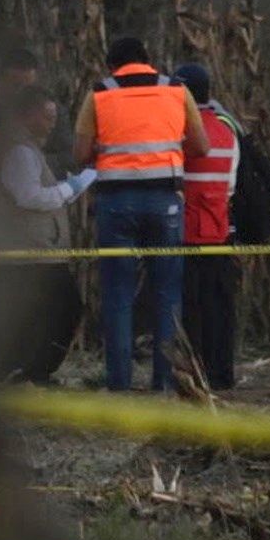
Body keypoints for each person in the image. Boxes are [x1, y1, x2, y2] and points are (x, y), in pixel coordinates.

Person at [68, 37, 209, 393]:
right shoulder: (177, 90)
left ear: (111, 66)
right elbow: (201, 146)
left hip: (116, 203)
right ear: (148, 60)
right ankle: (164, 382)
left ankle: (119, 385)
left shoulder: (99, 94)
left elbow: (80, 154)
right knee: (167, 293)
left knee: (117, 294)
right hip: (165, 201)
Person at [0, 83, 94, 382]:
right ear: (28, 114)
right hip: (31, 250)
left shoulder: (19, 146)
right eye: (47, 116)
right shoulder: (18, 150)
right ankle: (34, 371)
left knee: (35, 316)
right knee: (65, 309)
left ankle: (22, 371)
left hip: (28, 248)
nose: (52, 123)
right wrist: (69, 189)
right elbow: (29, 196)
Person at [176, 61, 243, 392]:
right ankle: (222, 373)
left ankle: (195, 373)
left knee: (191, 306)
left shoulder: (182, 130)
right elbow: (230, 184)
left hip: (187, 229)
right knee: (219, 304)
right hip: (218, 227)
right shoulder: (227, 128)